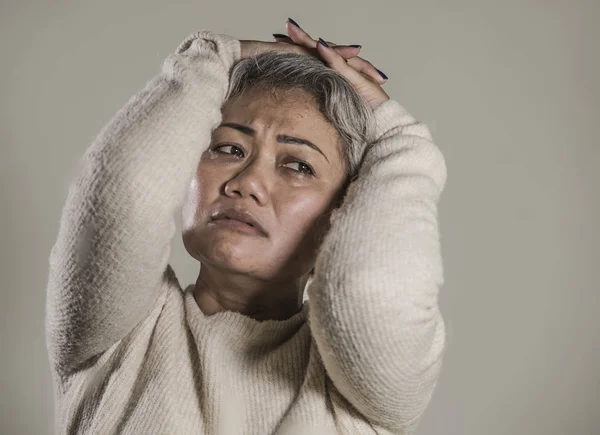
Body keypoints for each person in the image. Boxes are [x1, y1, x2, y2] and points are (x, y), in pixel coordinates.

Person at [45, 18, 448, 435]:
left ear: (346, 211)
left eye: (297, 165)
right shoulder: (113, 336)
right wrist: (212, 56)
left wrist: (402, 137)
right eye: (228, 148)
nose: (247, 183)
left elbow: (371, 293)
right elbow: (125, 194)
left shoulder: (364, 387)